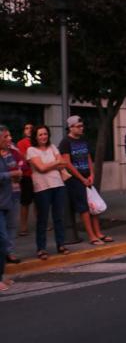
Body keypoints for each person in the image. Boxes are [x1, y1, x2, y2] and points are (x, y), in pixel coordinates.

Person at [59, 116, 111, 245]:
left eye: (82, 126)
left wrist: (92, 174)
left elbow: (88, 158)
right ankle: (91, 236)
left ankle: (98, 233)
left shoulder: (83, 140)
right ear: (71, 127)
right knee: (84, 208)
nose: (81, 128)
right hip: (75, 179)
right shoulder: (65, 142)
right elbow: (67, 164)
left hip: (87, 177)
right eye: (78, 126)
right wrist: (81, 178)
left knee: (94, 206)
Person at [26, 125, 68, 260]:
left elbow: (63, 163)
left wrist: (54, 163)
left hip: (58, 185)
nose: (43, 137)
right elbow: (41, 168)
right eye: (40, 135)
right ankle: (41, 248)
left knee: (59, 217)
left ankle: (61, 244)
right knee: (42, 219)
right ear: (35, 137)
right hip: (42, 188)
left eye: (45, 134)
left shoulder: (53, 147)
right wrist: (55, 163)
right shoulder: (31, 150)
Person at [0, 124, 21, 290]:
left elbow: (16, 168)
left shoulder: (6, 155)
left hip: (6, 201)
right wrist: (10, 175)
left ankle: (1, 277)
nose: (10, 139)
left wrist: (16, 174)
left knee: (4, 240)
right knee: (2, 240)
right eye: (6, 137)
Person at [16, 123, 34, 236]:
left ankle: (41, 223)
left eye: (31, 128)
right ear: (24, 131)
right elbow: (23, 158)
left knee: (39, 201)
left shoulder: (37, 141)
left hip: (38, 175)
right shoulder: (21, 143)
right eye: (27, 128)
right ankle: (23, 226)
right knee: (25, 202)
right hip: (27, 176)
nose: (29, 130)